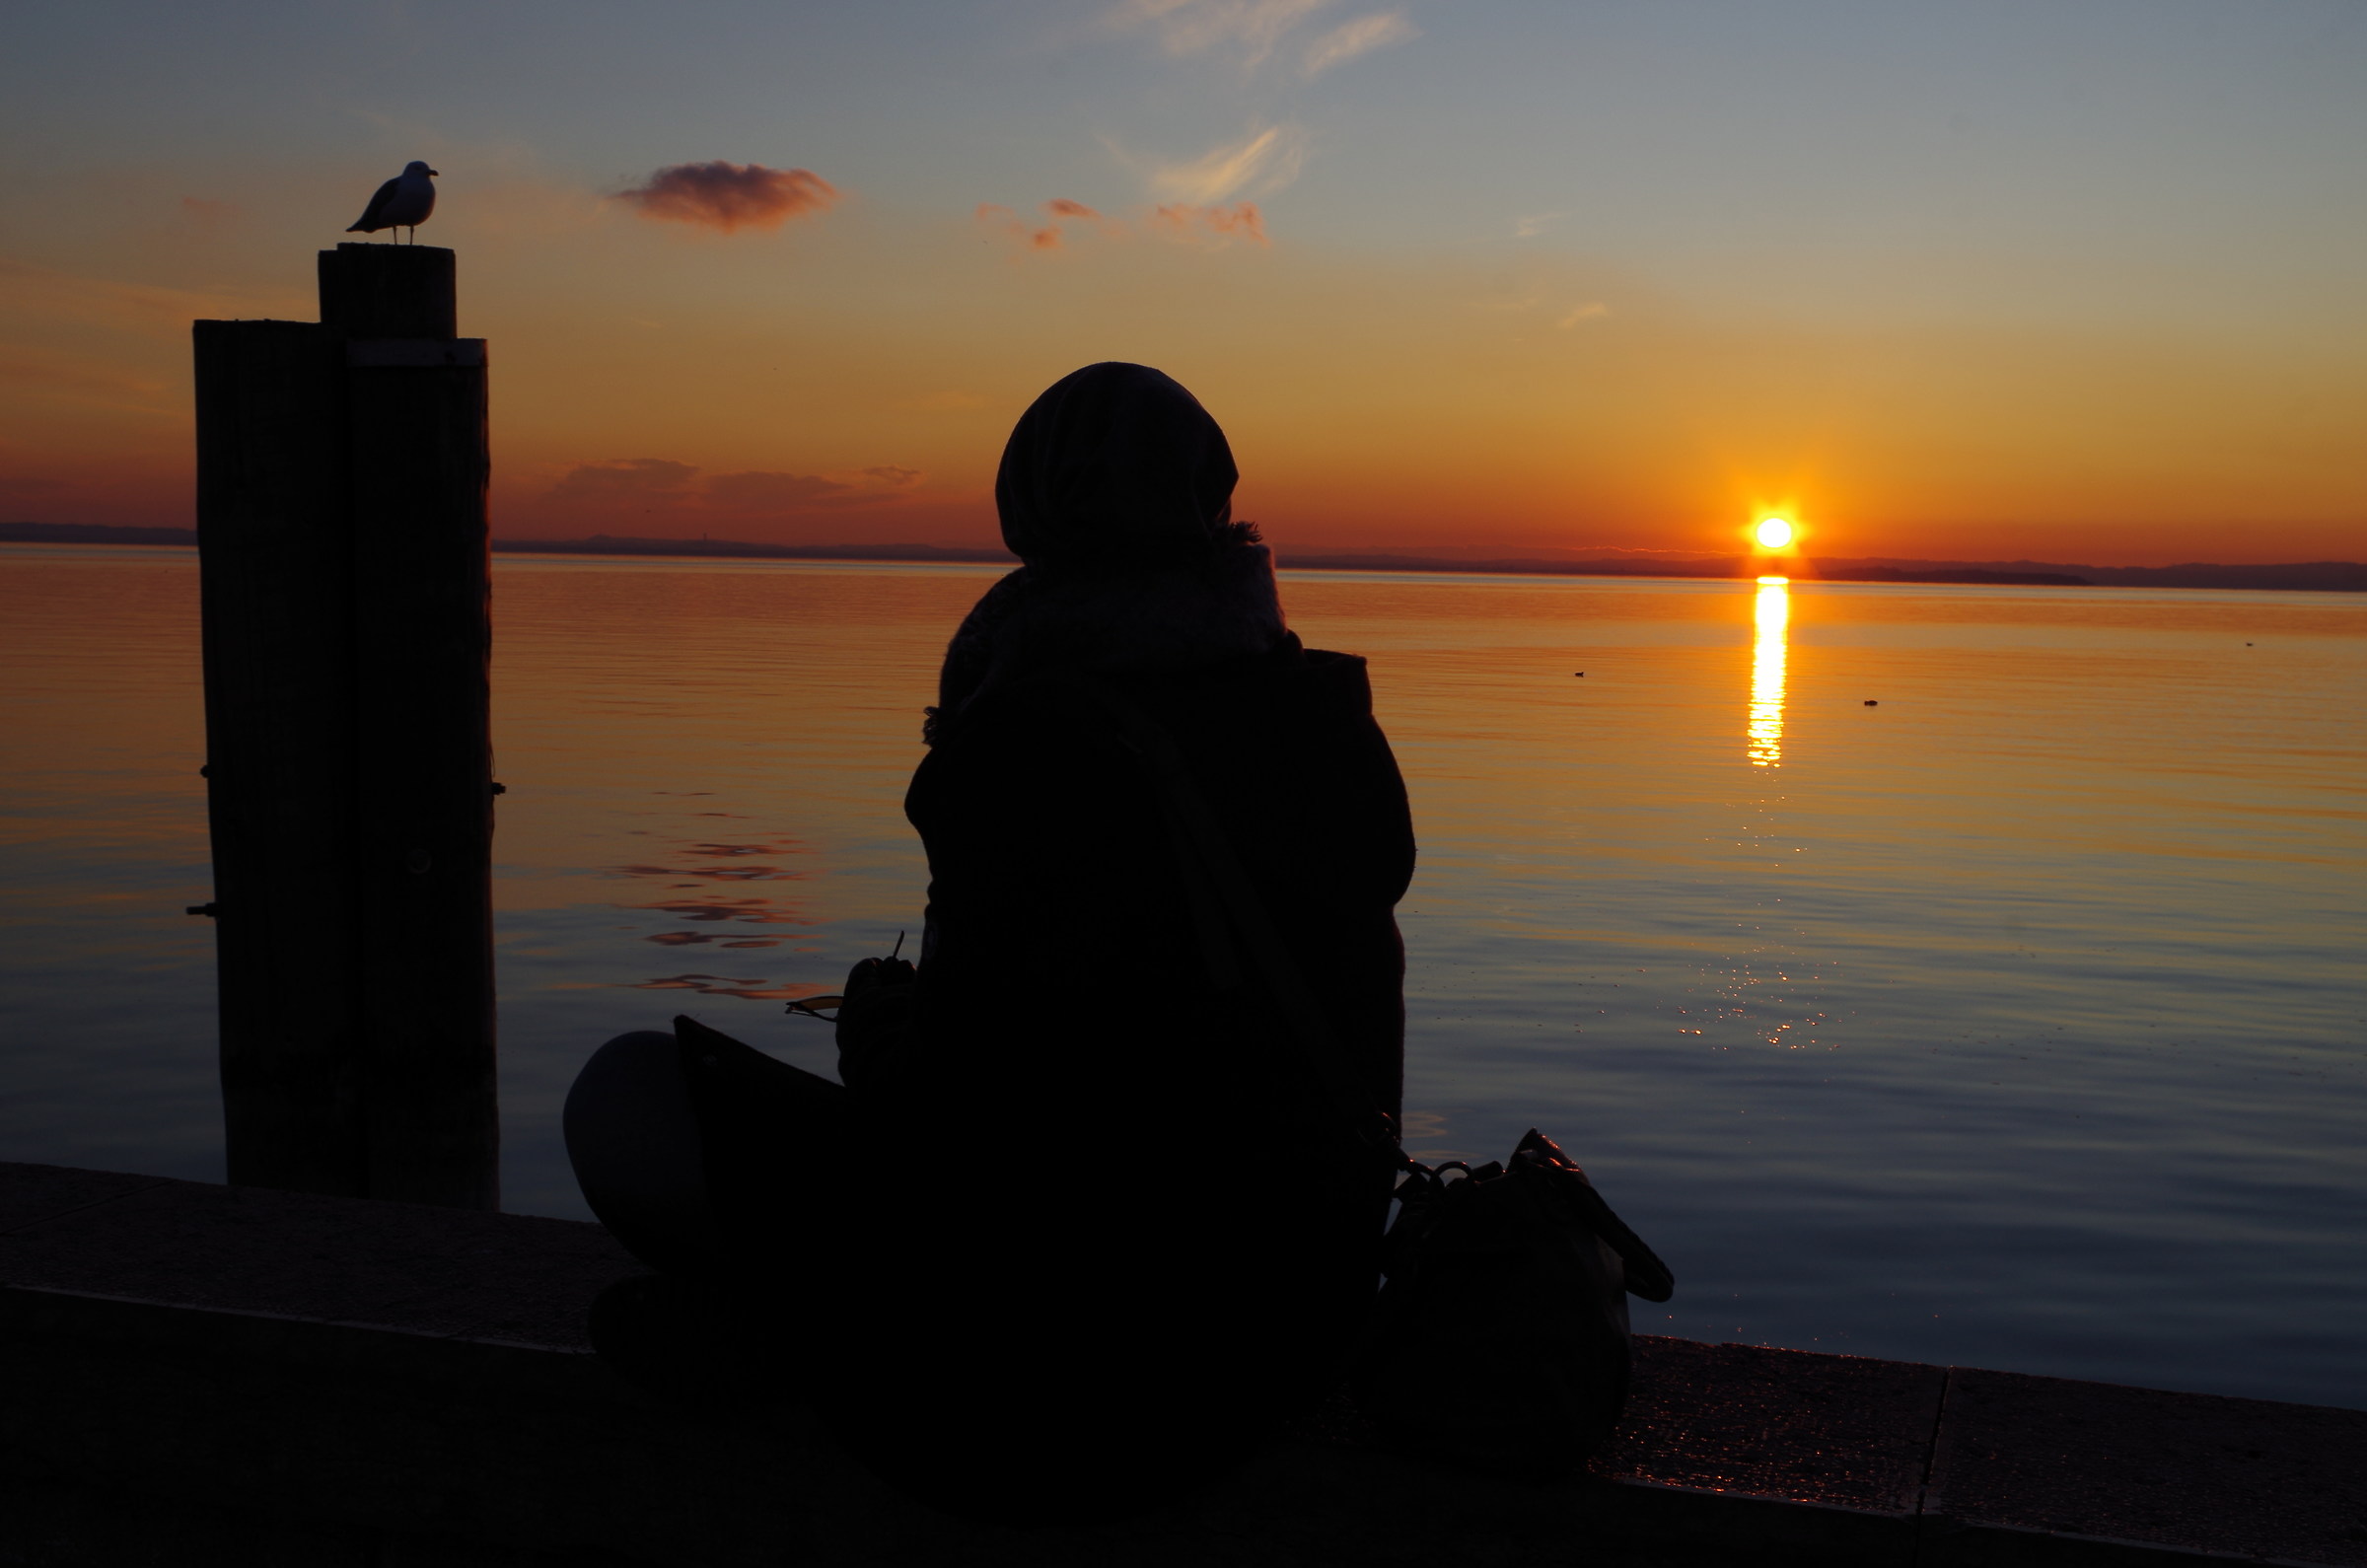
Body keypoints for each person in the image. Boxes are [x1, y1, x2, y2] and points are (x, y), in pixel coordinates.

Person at [565, 362, 1415, 1523]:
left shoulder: (1032, 743)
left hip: (1075, 1361)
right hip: (1295, 1319)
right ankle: (791, 1337)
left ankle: (812, 1349)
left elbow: (967, 1121)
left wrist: (878, 1035)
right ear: (1213, 509)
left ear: (1029, 520)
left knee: (627, 1094)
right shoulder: (1320, 724)